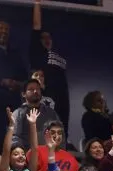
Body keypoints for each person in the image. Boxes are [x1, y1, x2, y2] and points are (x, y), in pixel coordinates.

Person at [30, 0, 69, 130]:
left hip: (62, 97)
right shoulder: (37, 53)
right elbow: (36, 26)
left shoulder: (58, 53)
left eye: (49, 38)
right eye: (43, 38)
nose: (47, 40)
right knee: (47, 129)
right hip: (48, 97)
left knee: (62, 129)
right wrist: (37, 3)